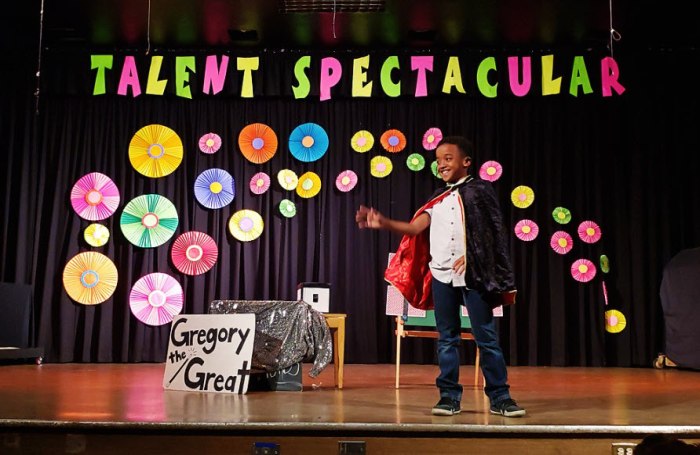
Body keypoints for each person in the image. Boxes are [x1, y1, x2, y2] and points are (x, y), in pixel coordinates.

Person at [356, 136, 525, 417]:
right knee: (447, 338)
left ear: (466, 162)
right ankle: (448, 396)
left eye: (448, 158)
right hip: (441, 275)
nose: (442, 164)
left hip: (474, 277)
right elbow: (413, 230)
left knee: (485, 337)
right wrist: (384, 222)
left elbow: (492, 232)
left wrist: (473, 255)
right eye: (438, 160)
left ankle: (500, 397)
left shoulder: (481, 191)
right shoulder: (437, 198)